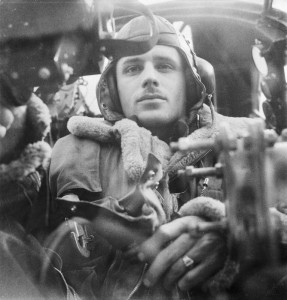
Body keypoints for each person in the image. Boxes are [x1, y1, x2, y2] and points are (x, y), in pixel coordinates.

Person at [49, 15, 287, 300]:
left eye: (164, 66)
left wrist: (242, 236)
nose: (150, 78)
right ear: (111, 89)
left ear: (190, 82)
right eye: (133, 68)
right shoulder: (71, 152)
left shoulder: (247, 143)